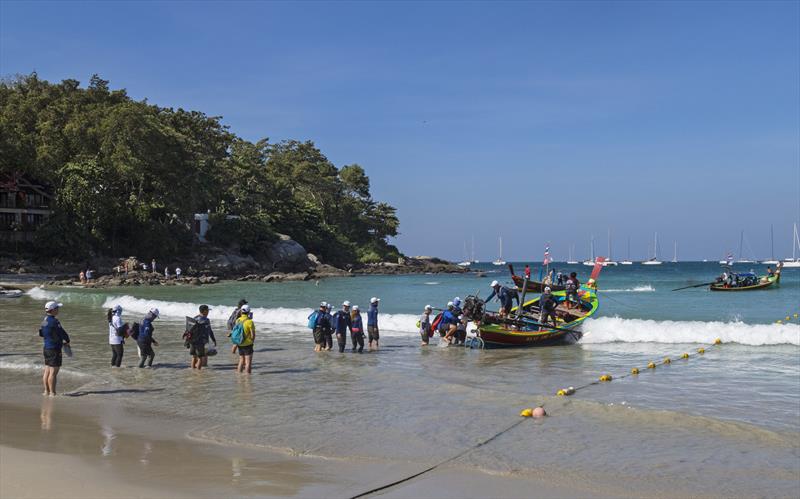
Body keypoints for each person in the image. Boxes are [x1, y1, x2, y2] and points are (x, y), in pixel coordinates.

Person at [39, 301, 70, 396]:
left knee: (47, 370)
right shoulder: (55, 321)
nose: (58, 310)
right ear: (53, 310)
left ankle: (46, 391)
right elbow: (62, 333)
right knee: (53, 373)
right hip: (54, 349)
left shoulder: (45, 320)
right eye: (57, 308)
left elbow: (41, 333)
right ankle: (52, 393)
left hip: (46, 348)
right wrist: (67, 340)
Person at [191, 305, 216, 369]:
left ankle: (192, 370)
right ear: (204, 311)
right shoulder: (206, 320)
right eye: (207, 310)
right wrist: (213, 339)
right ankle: (199, 373)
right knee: (200, 358)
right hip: (201, 341)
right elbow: (210, 331)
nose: (208, 312)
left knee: (194, 357)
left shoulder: (194, 318)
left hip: (193, 340)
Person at [235, 305, 255, 374]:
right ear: (249, 312)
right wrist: (252, 341)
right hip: (248, 344)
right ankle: (247, 377)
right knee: (248, 362)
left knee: (241, 360)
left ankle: (239, 374)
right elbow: (253, 335)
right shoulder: (250, 322)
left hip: (239, 343)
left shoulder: (238, 320)